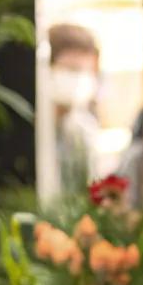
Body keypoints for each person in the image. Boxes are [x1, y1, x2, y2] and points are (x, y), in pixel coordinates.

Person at [47, 22, 100, 193]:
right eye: (71, 69)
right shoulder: (36, 131)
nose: (79, 80)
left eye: (86, 71)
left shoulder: (82, 130)